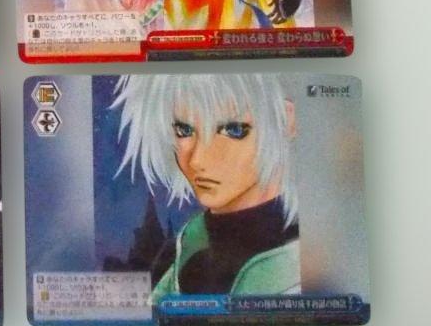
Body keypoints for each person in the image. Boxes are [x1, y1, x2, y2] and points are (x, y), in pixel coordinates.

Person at [113, 73, 300, 298]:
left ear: (286, 121)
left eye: (233, 130)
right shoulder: (184, 248)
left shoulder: (306, 257)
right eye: (184, 130)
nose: (198, 160)